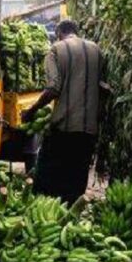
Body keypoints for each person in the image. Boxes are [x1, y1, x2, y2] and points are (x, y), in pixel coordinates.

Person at [22, 20, 104, 205]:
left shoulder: (56, 50)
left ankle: (46, 217)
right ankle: (72, 219)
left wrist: (31, 111)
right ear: (76, 31)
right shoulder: (96, 50)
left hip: (63, 128)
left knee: (46, 180)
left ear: (59, 34)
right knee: (75, 180)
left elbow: (53, 88)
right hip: (88, 130)